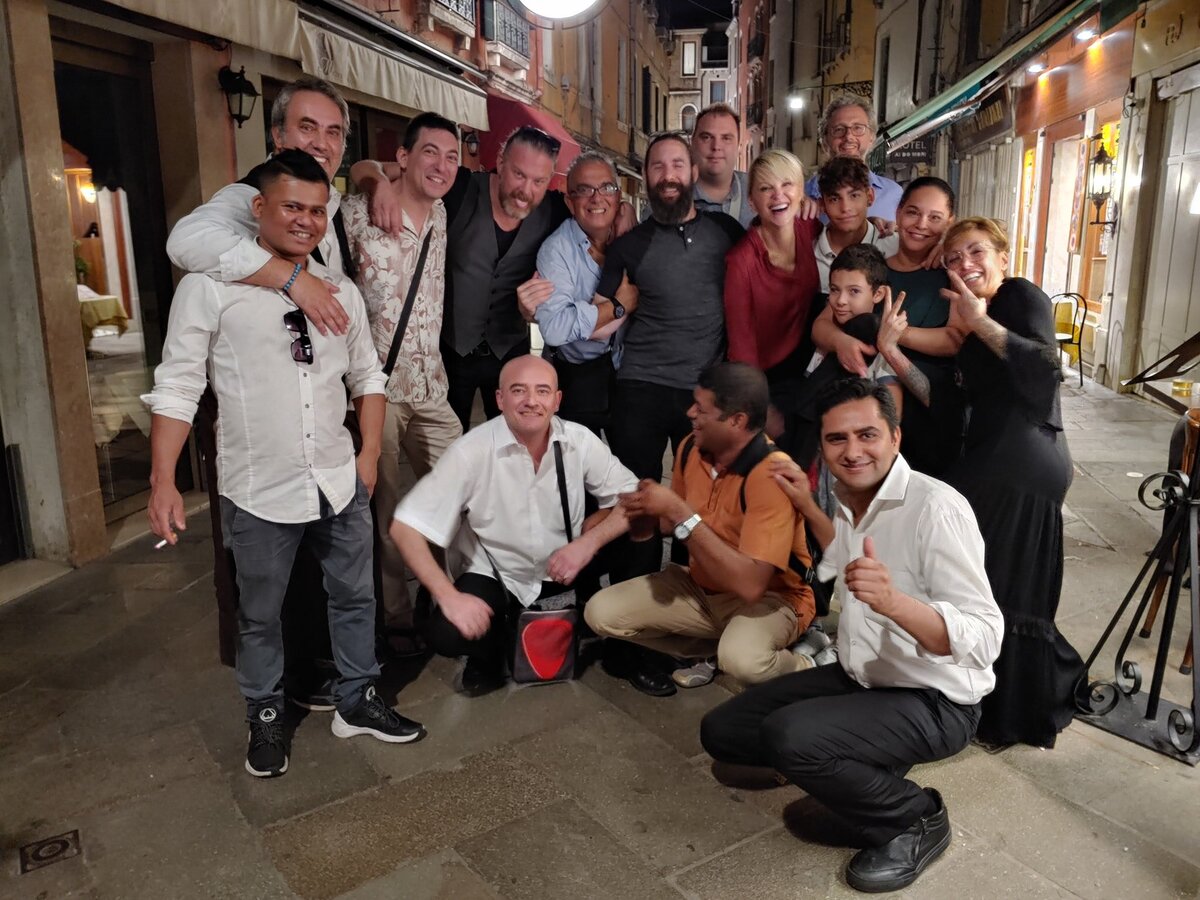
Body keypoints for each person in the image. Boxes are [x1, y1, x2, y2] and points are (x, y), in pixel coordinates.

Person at [144, 151, 426, 779]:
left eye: (317, 210)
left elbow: (368, 376)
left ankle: (357, 698)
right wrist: (163, 480)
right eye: (292, 207)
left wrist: (369, 453)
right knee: (258, 612)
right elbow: (178, 386)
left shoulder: (340, 290)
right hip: (256, 485)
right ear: (260, 208)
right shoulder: (210, 287)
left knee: (356, 597)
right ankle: (265, 712)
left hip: (336, 477)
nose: (305, 221)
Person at [701, 378, 1003, 893]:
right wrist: (805, 503)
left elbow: (984, 637)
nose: (853, 450)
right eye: (837, 439)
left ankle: (914, 818)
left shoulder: (935, 508)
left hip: (936, 698)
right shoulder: (851, 498)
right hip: (865, 676)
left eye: (868, 435)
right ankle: (852, 773)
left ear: (895, 438)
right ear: (821, 444)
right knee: (724, 731)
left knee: (789, 738)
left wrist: (894, 603)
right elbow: (843, 555)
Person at [165, 76, 360, 711]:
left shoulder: (323, 200)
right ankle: (273, 692)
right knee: (259, 582)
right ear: (276, 135)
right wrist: (291, 280)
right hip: (254, 426)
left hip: (320, 416)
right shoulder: (244, 197)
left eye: (334, 132)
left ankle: (313, 671)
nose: (322, 142)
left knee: (321, 567)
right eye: (308, 128)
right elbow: (184, 244)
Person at [389, 355, 639, 695]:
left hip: (562, 563)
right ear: (500, 399)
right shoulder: (472, 450)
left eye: (542, 391)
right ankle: (488, 653)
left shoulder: (577, 441)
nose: (531, 401)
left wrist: (587, 543)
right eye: (518, 390)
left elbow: (636, 497)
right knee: (446, 632)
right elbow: (405, 527)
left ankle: (625, 649)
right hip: (495, 571)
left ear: (557, 400)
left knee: (644, 531)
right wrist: (447, 596)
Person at [585, 363, 819, 696]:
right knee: (601, 613)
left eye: (702, 408)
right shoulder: (690, 448)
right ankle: (715, 646)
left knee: (743, 660)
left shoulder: (772, 475)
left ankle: (806, 666)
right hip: (701, 587)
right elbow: (671, 525)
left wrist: (680, 513)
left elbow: (751, 587)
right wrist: (640, 513)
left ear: (736, 420)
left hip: (773, 599)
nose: (690, 412)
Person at [939, 217, 1084, 749]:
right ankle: (990, 695)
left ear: (1003, 256)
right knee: (988, 577)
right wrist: (890, 350)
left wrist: (978, 322)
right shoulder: (976, 313)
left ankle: (1009, 711)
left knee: (1001, 581)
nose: (965, 264)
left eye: (975, 252)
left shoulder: (1021, 295)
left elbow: (1046, 369)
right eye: (953, 258)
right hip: (995, 451)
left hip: (1025, 456)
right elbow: (956, 399)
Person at [353, 127, 597, 432]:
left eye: (539, 181)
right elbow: (363, 167)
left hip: (509, 349)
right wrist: (379, 185)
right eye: (519, 174)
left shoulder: (553, 209)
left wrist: (624, 211)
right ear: (501, 161)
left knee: (511, 443)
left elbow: (594, 215)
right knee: (452, 449)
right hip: (451, 352)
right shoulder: (461, 187)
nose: (527, 190)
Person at [595, 131, 745, 582]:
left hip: (703, 396)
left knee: (696, 506)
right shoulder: (629, 245)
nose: (668, 176)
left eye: (677, 165)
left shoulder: (727, 234)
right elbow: (601, 318)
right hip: (639, 388)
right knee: (638, 503)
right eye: (658, 167)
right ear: (644, 178)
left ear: (694, 172)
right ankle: (631, 610)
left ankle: (687, 599)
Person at [339, 112, 464, 653]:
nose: (442, 165)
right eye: (430, 152)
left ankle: (444, 595)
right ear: (405, 158)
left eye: (453, 156)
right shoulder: (354, 215)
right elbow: (356, 175)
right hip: (376, 392)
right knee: (386, 507)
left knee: (464, 489)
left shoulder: (442, 213)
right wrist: (368, 176)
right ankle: (394, 618)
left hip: (431, 386)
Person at [516, 151, 634, 436]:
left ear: (618, 197)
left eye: (606, 188)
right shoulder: (556, 251)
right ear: (570, 202)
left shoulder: (632, 237)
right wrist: (619, 306)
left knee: (630, 473)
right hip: (578, 380)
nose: (597, 198)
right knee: (576, 473)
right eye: (584, 190)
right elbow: (555, 330)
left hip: (627, 374)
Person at [723, 149, 823, 441]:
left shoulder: (810, 226)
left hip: (812, 364)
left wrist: (884, 224)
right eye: (766, 188)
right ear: (752, 202)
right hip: (770, 377)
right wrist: (761, 407)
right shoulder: (741, 260)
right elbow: (741, 345)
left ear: (801, 191)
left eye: (786, 184)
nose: (778, 195)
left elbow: (851, 229)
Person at [872, 177, 965, 476]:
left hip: (934, 416)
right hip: (876, 416)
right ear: (898, 213)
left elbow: (955, 339)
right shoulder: (873, 269)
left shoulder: (952, 274)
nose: (921, 224)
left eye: (935, 217)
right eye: (912, 212)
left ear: (949, 223)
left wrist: (896, 335)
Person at [804, 96, 903, 221]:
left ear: (872, 137)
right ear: (824, 141)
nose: (849, 136)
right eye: (839, 129)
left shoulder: (894, 194)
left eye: (858, 128)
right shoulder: (802, 196)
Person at [811, 157, 899, 293]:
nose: (845, 207)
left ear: (870, 197)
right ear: (822, 204)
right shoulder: (809, 252)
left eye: (854, 196)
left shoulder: (895, 247)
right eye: (834, 199)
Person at [691, 104, 755, 228]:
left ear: (739, 146)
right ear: (692, 143)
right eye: (707, 137)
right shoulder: (672, 198)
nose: (716, 146)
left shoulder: (761, 189)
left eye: (726, 138)